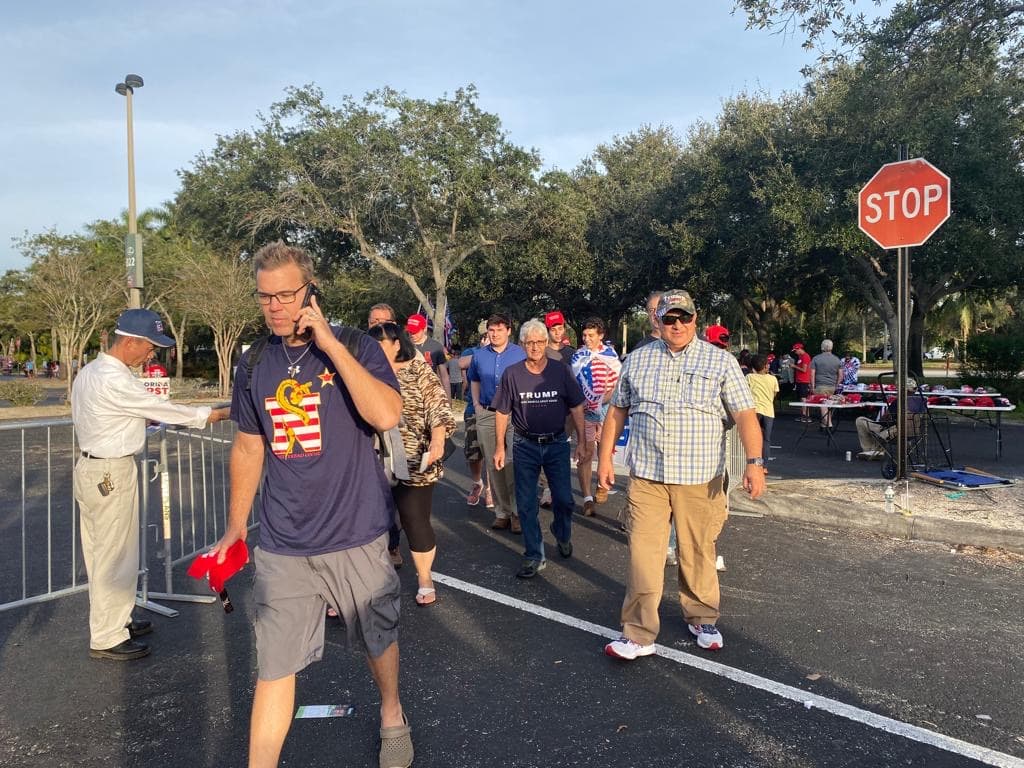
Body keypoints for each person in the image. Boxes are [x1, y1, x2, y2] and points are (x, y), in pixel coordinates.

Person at [211, 242, 412, 768]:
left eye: (286, 294)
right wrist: (236, 527)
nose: (275, 305)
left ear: (311, 291)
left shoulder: (356, 345)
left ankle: (392, 712)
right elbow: (250, 445)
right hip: (283, 541)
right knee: (274, 665)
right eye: (265, 296)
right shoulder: (254, 361)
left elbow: (387, 415)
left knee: (376, 636)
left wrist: (329, 343)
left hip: (356, 530)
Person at [597, 289, 766, 660]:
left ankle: (702, 617)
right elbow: (616, 412)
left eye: (683, 318)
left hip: (699, 478)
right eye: (669, 318)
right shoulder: (637, 360)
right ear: (657, 321)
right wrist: (605, 458)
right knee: (643, 554)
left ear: (696, 319)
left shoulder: (720, 362)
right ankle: (639, 634)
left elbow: (744, 415)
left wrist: (754, 463)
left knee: (698, 552)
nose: (676, 325)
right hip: (647, 477)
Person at [72, 308, 230, 661]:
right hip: (111, 471)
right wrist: (214, 414)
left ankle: (115, 618)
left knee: (103, 552)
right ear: (130, 342)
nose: (151, 354)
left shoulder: (91, 372)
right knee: (115, 554)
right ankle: (108, 634)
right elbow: (161, 408)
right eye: (150, 347)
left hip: (95, 468)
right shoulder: (115, 379)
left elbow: (114, 417)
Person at [369, 322, 456, 605]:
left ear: (396, 343)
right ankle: (357, 587)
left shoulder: (417, 370)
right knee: (364, 523)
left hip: (414, 458)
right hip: (371, 460)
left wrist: (438, 441)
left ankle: (424, 577)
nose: (376, 348)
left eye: (381, 342)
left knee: (414, 520)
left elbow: (438, 407)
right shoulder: (365, 374)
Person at [492, 320, 586, 578]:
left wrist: (582, 442)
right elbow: (502, 411)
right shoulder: (512, 374)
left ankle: (562, 531)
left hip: (556, 444)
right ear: (522, 345)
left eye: (539, 342)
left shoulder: (560, 371)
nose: (535, 347)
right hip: (525, 445)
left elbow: (577, 406)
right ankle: (534, 554)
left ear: (547, 343)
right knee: (525, 503)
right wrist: (500, 446)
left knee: (565, 500)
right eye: (529, 342)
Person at [467, 313, 526, 532]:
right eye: (491, 330)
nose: (495, 334)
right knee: (494, 464)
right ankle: (501, 512)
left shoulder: (520, 354)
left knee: (513, 462)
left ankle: (517, 512)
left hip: (514, 414)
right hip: (488, 413)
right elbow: (474, 379)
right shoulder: (480, 355)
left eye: (500, 330)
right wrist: (477, 405)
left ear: (509, 331)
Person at [366, 302, 405, 569]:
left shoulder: (406, 363)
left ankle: (392, 545)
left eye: (383, 321)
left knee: (389, 495)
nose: (378, 324)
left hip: (392, 441)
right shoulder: (354, 354)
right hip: (361, 440)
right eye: (373, 321)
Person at [571, 317, 621, 516]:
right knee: (586, 452)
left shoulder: (611, 356)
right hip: (585, 412)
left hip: (606, 411)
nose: (587, 338)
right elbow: (572, 382)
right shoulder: (578, 356)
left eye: (591, 335)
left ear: (600, 336)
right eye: (584, 335)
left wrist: (604, 400)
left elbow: (619, 383)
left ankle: (603, 483)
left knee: (605, 450)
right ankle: (587, 498)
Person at [460, 332, 492, 508]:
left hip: (494, 410)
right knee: (473, 452)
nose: (490, 339)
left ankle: (490, 489)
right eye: (487, 336)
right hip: (473, 409)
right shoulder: (471, 352)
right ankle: (477, 482)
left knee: (492, 451)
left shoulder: (501, 355)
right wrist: (484, 353)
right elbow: (460, 363)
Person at [405, 313, 451, 398]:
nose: (412, 335)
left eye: (415, 331)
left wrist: (448, 401)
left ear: (424, 329)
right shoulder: (404, 347)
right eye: (410, 332)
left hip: (430, 394)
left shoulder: (436, 347)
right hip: (409, 395)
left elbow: (444, 376)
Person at [746, 354, 779, 465]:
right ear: (766, 366)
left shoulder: (749, 377)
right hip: (768, 411)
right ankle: (764, 465)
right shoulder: (773, 379)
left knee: (753, 438)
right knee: (766, 439)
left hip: (754, 410)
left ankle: (754, 463)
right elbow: (774, 395)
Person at [810, 339, 842, 429]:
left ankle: (829, 424)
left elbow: (812, 374)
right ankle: (823, 425)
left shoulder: (816, 358)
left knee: (823, 404)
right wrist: (836, 385)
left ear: (822, 347)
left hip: (820, 385)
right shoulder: (837, 359)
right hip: (832, 386)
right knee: (828, 405)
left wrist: (812, 386)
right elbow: (841, 375)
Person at [791, 342, 812, 421]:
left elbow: (804, 369)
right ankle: (803, 415)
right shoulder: (800, 357)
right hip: (800, 380)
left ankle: (807, 416)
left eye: (795, 350)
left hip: (804, 380)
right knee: (801, 398)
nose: (795, 352)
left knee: (804, 398)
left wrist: (794, 366)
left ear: (799, 349)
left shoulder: (805, 356)